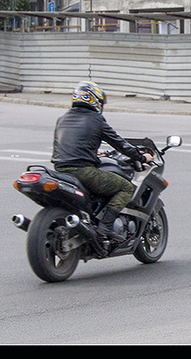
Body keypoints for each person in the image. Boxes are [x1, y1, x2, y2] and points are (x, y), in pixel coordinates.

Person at [51, 81, 153, 241]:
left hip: (60, 171)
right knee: (126, 188)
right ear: (94, 100)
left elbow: (65, 146)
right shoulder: (96, 119)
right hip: (83, 172)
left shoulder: (62, 119)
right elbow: (120, 144)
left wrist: (93, 155)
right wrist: (141, 157)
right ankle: (105, 226)